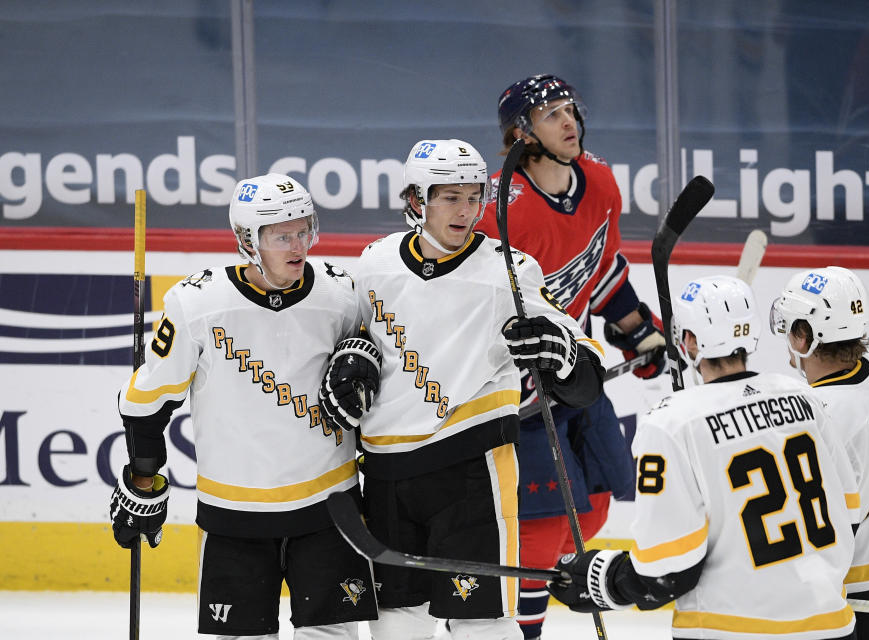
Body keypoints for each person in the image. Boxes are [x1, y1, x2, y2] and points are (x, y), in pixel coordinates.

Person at [349, 138, 605, 640]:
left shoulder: (508, 271)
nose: (467, 211)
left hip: (470, 473)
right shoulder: (374, 264)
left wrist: (562, 355)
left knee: (483, 625)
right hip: (386, 475)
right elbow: (354, 343)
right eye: (450, 197)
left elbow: (585, 375)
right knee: (396, 626)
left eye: (474, 197)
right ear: (417, 201)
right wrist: (350, 360)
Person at [108, 173, 379, 639]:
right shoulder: (198, 304)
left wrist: (365, 357)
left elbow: (375, 359)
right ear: (247, 240)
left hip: (329, 507)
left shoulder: (341, 294)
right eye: (281, 235)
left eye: (303, 230)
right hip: (234, 512)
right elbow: (147, 401)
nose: (298, 245)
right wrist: (144, 476)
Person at [547, 275, 861, 640]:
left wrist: (600, 577)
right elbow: (848, 517)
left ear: (690, 341)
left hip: (732, 632)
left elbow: (665, 574)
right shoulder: (803, 398)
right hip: (833, 628)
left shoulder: (671, 424)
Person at [473, 73, 665, 639]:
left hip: (577, 377)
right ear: (520, 134)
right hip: (520, 395)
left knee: (597, 502)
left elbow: (598, 272)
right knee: (543, 526)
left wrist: (637, 331)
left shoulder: (601, 183)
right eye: (551, 113)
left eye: (570, 109)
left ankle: (532, 594)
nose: (568, 122)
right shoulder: (500, 212)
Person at [771, 266, 869, 639]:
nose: (787, 334)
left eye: (792, 325)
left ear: (806, 335)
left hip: (859, 595)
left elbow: (811, 533)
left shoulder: (824, 421)